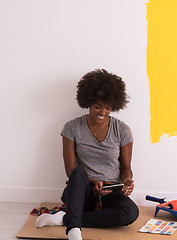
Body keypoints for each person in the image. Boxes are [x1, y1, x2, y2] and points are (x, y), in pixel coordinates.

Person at [35, 69, 139, 240]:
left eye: (108, 108)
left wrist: (127, 180)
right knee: (77, 173)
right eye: (98, 106)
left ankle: (65, 219)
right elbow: (70, 169)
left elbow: (126, 168)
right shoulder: (72, 128)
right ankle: (74, 231)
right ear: (88, 102)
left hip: (110, 191)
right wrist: (92, 181)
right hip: (82, 192)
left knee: (131, 212)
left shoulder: (122, 130)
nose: (102, 112)